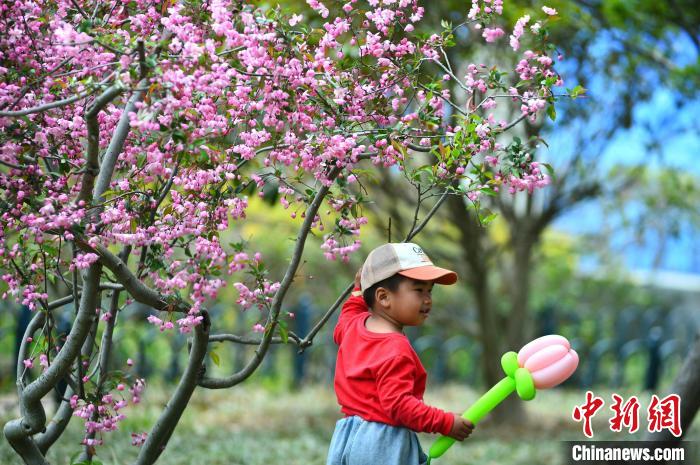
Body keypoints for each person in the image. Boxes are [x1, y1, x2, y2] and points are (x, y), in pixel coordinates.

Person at [326, 243, 475, 465]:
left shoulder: (353, 328)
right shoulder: (396, 350)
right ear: (384, 297)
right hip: (382, 444)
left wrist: (358, 292)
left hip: (346, 438)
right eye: (418, 290)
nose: (428, 300)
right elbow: (399, 406)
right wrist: (445, 422)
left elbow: (346, 317)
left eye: (429, 291)